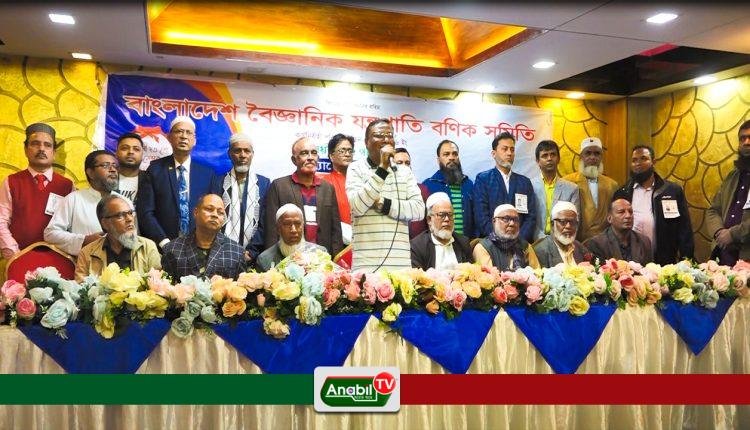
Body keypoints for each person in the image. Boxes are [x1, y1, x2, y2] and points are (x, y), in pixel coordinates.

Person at [346, 119, 425, 272]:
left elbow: (419, 210)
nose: (386, 140)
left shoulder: (404, 171)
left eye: (389, 135)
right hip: (366, 266)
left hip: (400, 266)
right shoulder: (355, 168)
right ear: (366, 142)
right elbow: (358, 206)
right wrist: (382, 169)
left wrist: (384, 204)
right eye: (379, 135)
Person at [137, 116, 217, 250]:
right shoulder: (155, 170)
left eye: (188, 133)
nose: (184, 136)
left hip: (198, 247)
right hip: (162, 247)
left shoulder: (207, 174)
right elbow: (145, 212)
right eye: (179, 131)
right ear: (169, 137)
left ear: (194, 140)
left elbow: (213, 213)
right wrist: (164, 242)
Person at [0, 123, 74, 260]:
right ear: (25, 150)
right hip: (18, 257)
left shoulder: (67, 186)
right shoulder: (11, 182)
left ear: (54, 152)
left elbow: (71, 226)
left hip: (58, 259)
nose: (41, 149)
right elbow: (1, 220)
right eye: (35, 144)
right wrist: (13, 253)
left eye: (47, 145)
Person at [613, 145, 693, 265]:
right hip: (630, 262)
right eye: (634, 160)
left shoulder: (671, 191)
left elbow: (684, 228)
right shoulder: (622, 193)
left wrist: (686, 260)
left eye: (643, 158)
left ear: (653, 162)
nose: (638, 163)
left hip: (664, 261)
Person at [264, 137, 343, 257]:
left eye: (314, 153)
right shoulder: (279, 186)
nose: (310, 157)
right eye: (304, 153)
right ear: (294, 160)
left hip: (321, 260)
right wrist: (272, 261)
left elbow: (336, 231)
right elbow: (271, 230)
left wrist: (336, 260)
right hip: (288, 259)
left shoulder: (328, 188)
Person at [44, 150, 120, 256]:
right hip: (85, 263)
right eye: (105, 165)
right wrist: (83, 240)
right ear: (91, 173)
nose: (113, 170)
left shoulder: (124, 202)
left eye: (115, 166)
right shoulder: (73, 199)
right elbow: (50, 234)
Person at [211, 132, 270, 265]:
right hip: (221, 253)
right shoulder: (217, 182)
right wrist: (226, 250)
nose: (242, 155)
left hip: (254, 255)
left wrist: (252, 251)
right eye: (237, 151)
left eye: (247, 151)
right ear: (229, 154)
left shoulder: (264, 183)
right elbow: (213, 219)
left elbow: (265, 221)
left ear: (252, 154)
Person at [74, 194, 161, 282]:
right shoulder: (87, 254)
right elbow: (81, 288)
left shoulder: (147, 247)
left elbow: (159, 284)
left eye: (130, 213)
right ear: (105, 223)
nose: (130, 219)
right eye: (120, 215)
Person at [161, 194, 245, 280]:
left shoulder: (236, 252)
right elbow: (164, 286)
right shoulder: (172, 249)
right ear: (196, 212)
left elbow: (242, 287)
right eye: (209, 209)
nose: (215, 215)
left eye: (220, 212)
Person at [473, 132, 537, 242]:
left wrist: (518, 241)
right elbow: (481, 216)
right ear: (494, 154)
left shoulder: (524, 182)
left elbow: (530, 218)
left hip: (519, 244)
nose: (509, 153)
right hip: (491, 243)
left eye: (512, 149)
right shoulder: (483, 180)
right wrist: (498, 240)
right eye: (505, 149)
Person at [706, 120, 750, 266]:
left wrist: (732, 234)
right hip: (723, 255)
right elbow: (713, 210)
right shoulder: (732, 176)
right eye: (742, 138)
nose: (746, 142)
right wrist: (719, 232)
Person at [563, 137, 619, 242]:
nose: (592, 157)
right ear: (581, 157)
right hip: (576, 242)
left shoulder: (612, 185)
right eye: (588, 153)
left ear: (601, 157)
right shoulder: (568, 182)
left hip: (604, 243)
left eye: (597, 154)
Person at [422, 139, 476, 238]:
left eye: (455, 154)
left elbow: (476, 216)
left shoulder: (468, 184)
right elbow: (423, 222)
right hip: (438, 243)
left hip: (467, 244)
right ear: (438, 160)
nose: (451, 157)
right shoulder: (428, 185)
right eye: (446, 154)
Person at [410, 192, 473, 270]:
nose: (447, 219)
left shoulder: (463, 243)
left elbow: (471, 273)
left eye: (450, 215)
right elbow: (417, 276)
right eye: (441, 215)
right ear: (429, 220)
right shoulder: (418, 246)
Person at [531, 140, 579, 241]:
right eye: (545, 155)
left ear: (558, 159)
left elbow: (575, 220)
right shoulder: (529, 186)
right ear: (537, 161)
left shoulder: (572, 188)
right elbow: (527, 219)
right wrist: (541, 240)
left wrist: (558, 240)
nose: (549, 158)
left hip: (562, 241)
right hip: (534, 242)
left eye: (553, 154)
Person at [256, 203, 327, 271]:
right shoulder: (264, 260)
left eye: (298, 224)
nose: (293, 230)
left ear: (303, 226)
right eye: (287, 224)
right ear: (278, 229)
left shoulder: (320, 253)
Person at [584, 198, 653, 265]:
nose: (628, 216)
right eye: (621, 212)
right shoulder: (597, 244)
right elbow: (598, 271)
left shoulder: (644, 241)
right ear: (609, 218)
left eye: (630, 212)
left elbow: (649, 270)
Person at [473, 204, 539, 270]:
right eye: (506, 219)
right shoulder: (483, 248)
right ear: (494, 221)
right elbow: (488, 275)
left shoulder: (525, 246)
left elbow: (537, 272)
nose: (512, 224)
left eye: (515, 220)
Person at [533, 201, 591, 267]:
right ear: (552, 224)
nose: (568, 226)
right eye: (563, 222)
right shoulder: (541, 251)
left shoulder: (579, 247)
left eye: (572, 222)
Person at [321, 133, 354, 244]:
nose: (347, 154)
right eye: (342, 151)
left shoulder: (360, 180)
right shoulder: (324, 182)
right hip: (336, 241)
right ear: (331, 156)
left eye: (350, 151)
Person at [390, 147, 430, 238]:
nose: (404, 166)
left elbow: (431, 222)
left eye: (407, 163)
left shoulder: (423, 190)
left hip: (418, 244)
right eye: (399, 163)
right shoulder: (386, 190)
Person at [114, 132, 145, 204]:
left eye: (136, 149)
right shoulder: (106, 178)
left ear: (142, 154)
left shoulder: (151, 179)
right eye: (125, 148)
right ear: (116, 153)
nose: (131, 152)